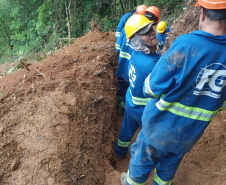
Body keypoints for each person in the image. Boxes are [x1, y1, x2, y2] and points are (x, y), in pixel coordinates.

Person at [121, 0, 226, 184]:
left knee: (140, 166)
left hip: (159, 128)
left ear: (202, 13)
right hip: (189, 134)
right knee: (167, 170)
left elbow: (151, 88)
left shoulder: (187, 45)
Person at [115, 14, 160, 159]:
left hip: (131, 102)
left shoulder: (135, 52)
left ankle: (119, 153)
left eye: (151, 28)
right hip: (144, 111)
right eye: (145, 32)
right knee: (148, 137)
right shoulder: (151, 65)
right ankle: (141, 160)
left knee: (127, 131)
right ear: (136, 39)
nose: (152, 32)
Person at [115, 6, 161, 115]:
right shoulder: (145, 34)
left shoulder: (128, 28)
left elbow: (117, 47)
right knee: (131, 88)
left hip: (123, 65)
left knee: (123, 86)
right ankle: (123, 105)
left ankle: (120, 103)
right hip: (134, 68)